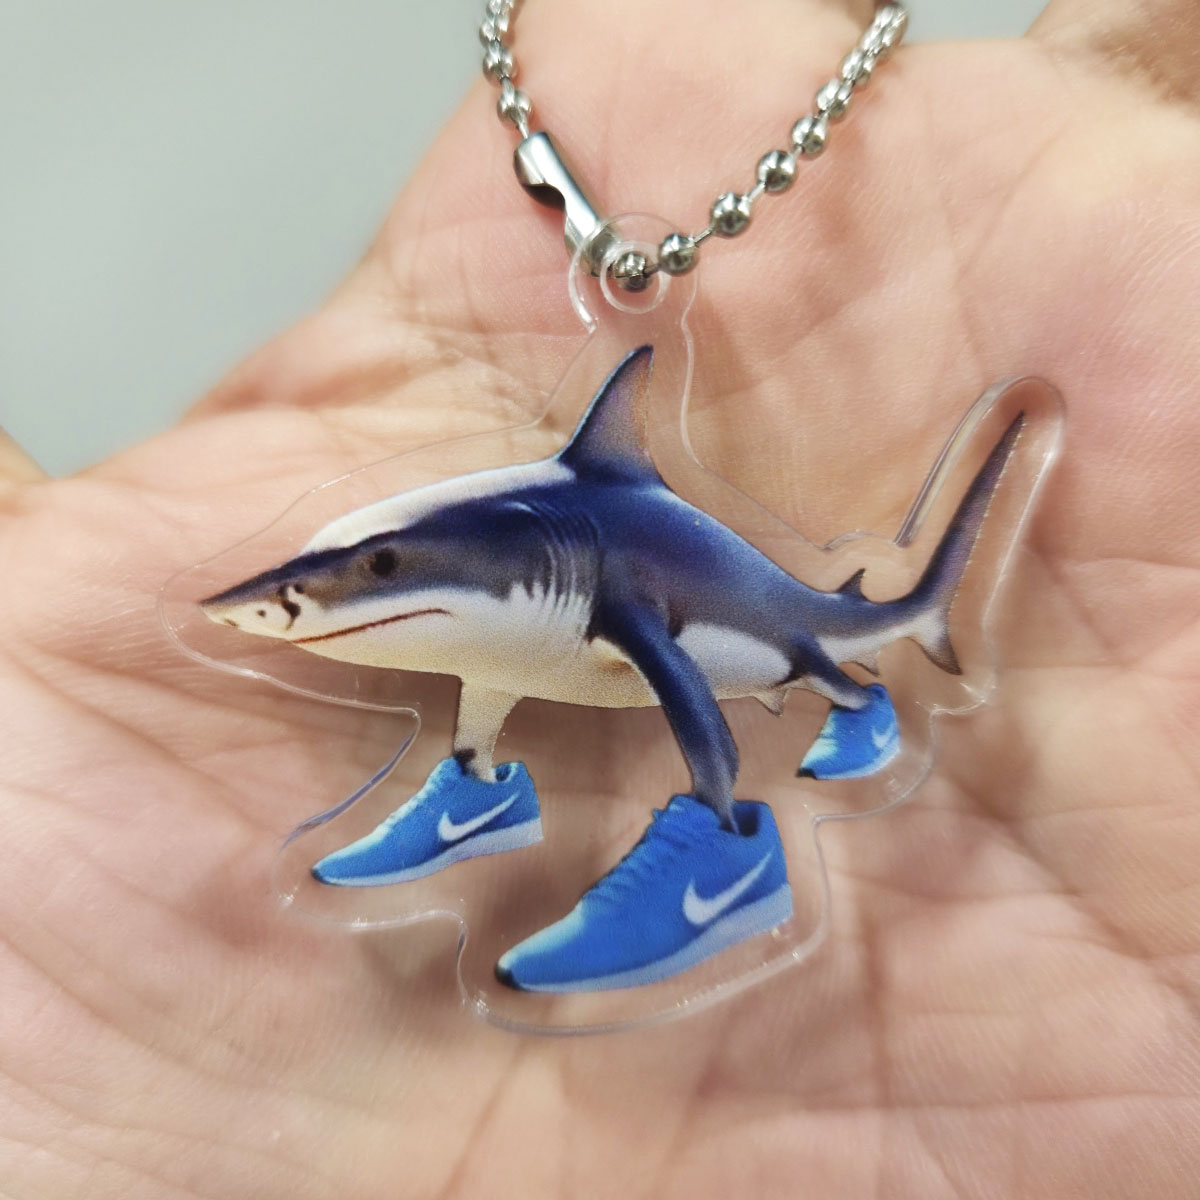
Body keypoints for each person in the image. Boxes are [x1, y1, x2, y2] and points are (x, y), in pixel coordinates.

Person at [1, 0, 1197, 1195]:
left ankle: (736, 842)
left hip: (758, 628)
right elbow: (490, 638)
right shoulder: (517, 607)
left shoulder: (602, 581)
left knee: (794, 658)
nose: (309, 609)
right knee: (485, 658)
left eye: (376, 576)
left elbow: (687, 690)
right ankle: (476, 793)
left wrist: (753, 748)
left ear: (530, 557)